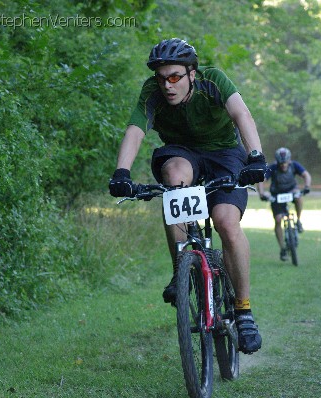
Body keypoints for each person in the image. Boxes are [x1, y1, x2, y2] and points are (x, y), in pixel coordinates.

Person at [108, 38, 265, 354]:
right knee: (175, 178)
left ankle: (244, 310)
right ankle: (182, 268)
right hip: (182, 154)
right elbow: (135, 130)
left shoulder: (213, 80)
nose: (168, 85)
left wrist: (256, 156)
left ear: (192, 73)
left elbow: (241, 114)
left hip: (224, 154)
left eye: (175, 77)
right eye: (162, 77)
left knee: (226, 223)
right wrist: (122, 173)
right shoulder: (152, 93)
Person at [257, 147, 311, 261]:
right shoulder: (272, 168)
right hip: (276, 194)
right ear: (277, 161)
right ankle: (282, 248)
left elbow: (306, 175)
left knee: (299, 197)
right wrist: (262, 193)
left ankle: (298, 221)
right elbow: (262, 180)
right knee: (277, 220)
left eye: (285, 163)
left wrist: (307, 187)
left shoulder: (294, 165)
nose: (283, 165)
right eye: (281, 163)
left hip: (291, 190)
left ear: (289, 160)